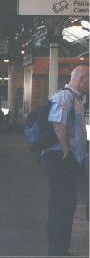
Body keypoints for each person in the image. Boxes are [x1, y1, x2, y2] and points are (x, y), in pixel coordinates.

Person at [41, 65, 89, 256]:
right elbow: (58, 125)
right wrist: (67, 153)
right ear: (82, 78)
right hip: (59, 159)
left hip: (67, 160)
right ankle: (56, 250)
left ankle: (60, 249)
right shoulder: (65, 97)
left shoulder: (77, 99)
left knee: (67, 204)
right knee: (61, 205)